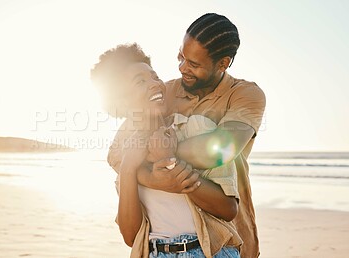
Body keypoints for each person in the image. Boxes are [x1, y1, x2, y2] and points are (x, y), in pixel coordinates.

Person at [91, 43, 242, 257]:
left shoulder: (198, 128)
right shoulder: (125, 154)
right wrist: (128, 169)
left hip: (209, 252)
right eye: (140, 82)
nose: (155, 85)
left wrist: (171, 161)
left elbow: (228, 209)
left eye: (154, 77)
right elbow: (130, 236)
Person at [136, 13, 266, 258]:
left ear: (223, 63)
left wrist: (159, 153)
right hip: (163, 244)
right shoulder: (166, 92)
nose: (183, 67)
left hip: (226, 240)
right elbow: (119, 152)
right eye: (181, 57)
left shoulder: (246, 94)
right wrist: (154, 178)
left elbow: (219, 149)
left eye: (194, 64)